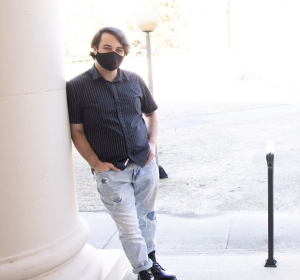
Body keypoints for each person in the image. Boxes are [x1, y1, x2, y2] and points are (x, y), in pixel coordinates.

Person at [66, 27, 176, 280]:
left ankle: (153, 264)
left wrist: (151, 145)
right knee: (128, 225)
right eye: (107, 48)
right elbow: (77, 131)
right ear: (94, 50)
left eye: (119, 50)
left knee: (147, 218)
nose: (113, 54)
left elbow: (151, 113)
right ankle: (143, 270)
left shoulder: (135, 80)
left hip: (144, 163)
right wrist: (96, 163)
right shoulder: (76, 88)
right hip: (111, 172)